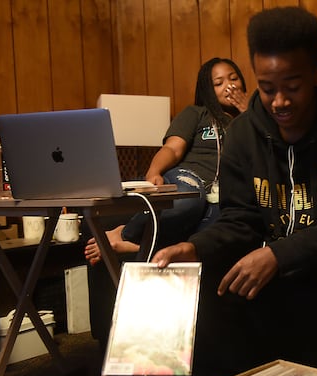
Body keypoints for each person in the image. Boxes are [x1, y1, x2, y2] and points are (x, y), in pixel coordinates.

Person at [151, 6, 317, 376]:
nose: (279, 101)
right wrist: (195, 247)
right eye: (267, 88)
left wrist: (277, 254)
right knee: (213, 280)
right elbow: (239, 220)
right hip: (272, 246)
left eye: (292, 87)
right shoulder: (244, 133)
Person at [86, 57, 248, 348]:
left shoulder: (252, 120)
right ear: (207, 89)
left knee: (209, 240)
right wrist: (154, 172)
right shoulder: (197, 114)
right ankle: (124, 233)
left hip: (223, 197)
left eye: (233, 78)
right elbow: (173, 148)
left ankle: (136, 244)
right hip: (191, 180)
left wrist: (248, 113)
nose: (229, 86)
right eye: (219, 82)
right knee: (188, 203)